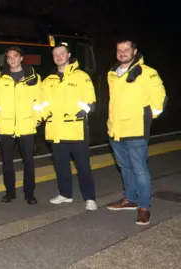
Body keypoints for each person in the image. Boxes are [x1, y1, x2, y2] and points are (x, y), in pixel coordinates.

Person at [105, 39, 167, 225]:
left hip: (136, 130)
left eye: (126, 49)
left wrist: (146, 118)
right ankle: (130, 199)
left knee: (140, 169)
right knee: (125, 167)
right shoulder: (112, 73)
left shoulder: (148, 73)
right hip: (115, 129)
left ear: (134, 51)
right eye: (119, 50)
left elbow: (161, 100)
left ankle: (144, 207)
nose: (122, 53)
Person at [41, 43, 97, 211]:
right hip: (56, 130)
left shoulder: (81, 76)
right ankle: (65, 194)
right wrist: (45, 116)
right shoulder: (48, 80)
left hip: (76, 130)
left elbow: (91, 102)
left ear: (68, 55)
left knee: (83, 167)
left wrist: (80, 114)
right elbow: (42, 104)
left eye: (62, 53)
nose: (59, 56)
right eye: (55, 54)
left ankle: (90, 198)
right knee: (61, 166)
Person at [0, 46, 40, 204]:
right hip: (6, 127)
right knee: (7, 162)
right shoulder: (0, 80)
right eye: (9, 57)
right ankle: (9, 192)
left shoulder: (34, 78)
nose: (12, 59)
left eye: (15, 56)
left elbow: (40, 101)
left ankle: (29, 193)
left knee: (29, 162)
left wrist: (37, 119)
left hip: (27, 126)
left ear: (21, 58)